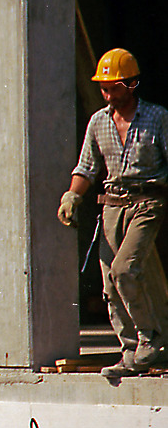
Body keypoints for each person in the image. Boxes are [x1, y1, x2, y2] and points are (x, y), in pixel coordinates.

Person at [58, 48, 168, 379]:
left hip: (147, 203)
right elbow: (87, 168)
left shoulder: (156, 117)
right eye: (104, 88)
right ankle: (132, 350)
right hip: (111, 206)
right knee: (109, 283)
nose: (107, 94)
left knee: (125, 270)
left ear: (132, 84)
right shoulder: (98, 122)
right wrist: (72, 196)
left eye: (114, 88)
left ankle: (151, 340)